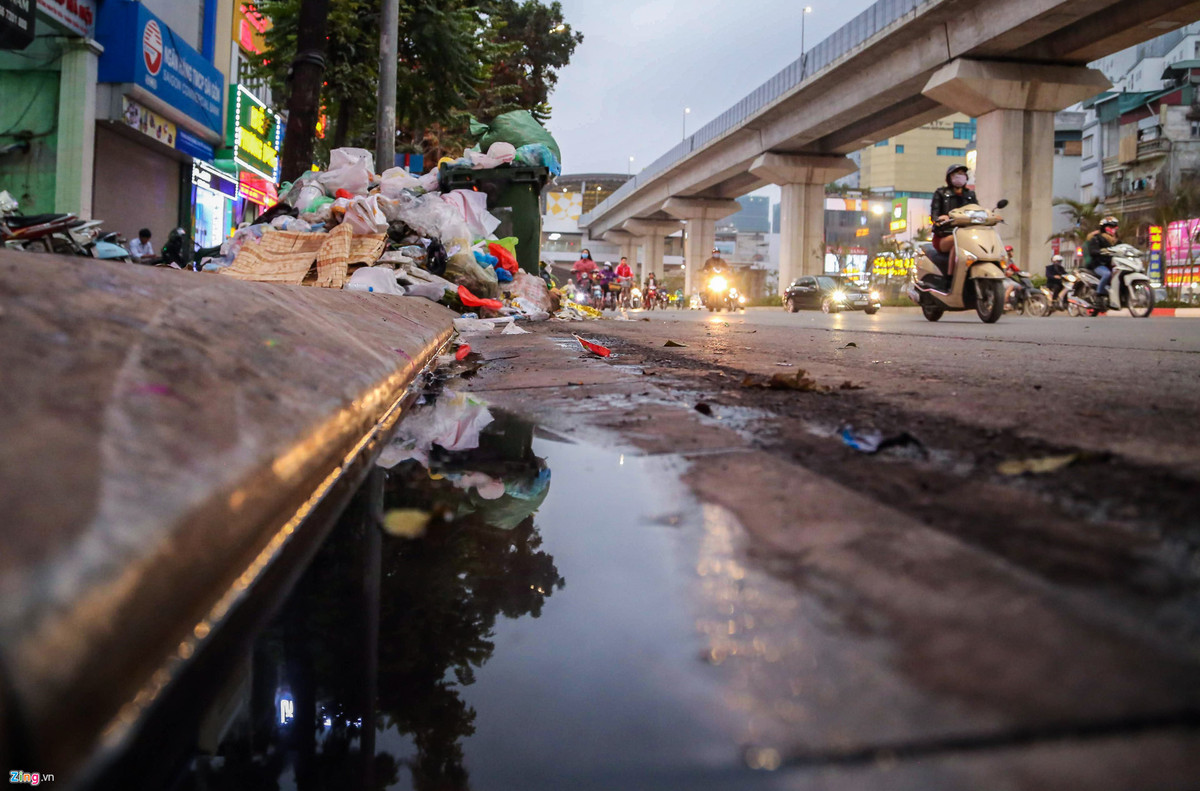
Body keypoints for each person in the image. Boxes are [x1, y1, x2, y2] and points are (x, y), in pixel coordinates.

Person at [930, 164, 979, 276]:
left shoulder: (970, 195)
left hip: (967, 234)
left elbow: (977, 210)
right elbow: (934, 214)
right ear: (949, 177)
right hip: (945, 236)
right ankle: (950, 277)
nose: (959, 176)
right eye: (956, 174)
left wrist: (991, 216)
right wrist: (940, 218)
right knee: (958, 241)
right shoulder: (941, 193)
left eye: (962, 174)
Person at [1085, 216, 1120, 303]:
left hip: (1113, 264)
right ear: (1104, 228)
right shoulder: (1097, 238)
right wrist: (1101, 251)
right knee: (1107, 274)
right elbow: (1092, 250)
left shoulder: (1117, 241)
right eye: (1110, 227)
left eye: (1114, 227)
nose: (1112, 229)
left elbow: (1123, 248)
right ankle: (1099, 294)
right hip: (1099, 264)